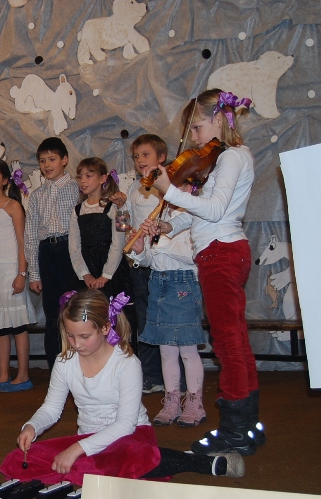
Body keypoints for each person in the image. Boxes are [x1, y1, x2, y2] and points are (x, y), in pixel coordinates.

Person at [0, 290, 244, 487]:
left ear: (105, 328)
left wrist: (75, 450)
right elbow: (51, 408)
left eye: (84, 336)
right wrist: (32, 426)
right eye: (71, 336)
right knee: (16, 459)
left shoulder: (126, 363)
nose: (76, 344)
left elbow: (125, 424)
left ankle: (193, 461)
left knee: (125, 457)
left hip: (130, 436)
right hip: (89, 439)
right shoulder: (65, 363)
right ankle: (148, 462)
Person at [142, 89, 262, 455]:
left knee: (227, 342)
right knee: (235, 340)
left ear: (220, 119)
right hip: (218, 250)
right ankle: (248, 425)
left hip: (222, 253)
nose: (194, 138)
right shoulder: (224, 158)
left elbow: (215, 210)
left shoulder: (232, 156)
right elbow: (203, 214)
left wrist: (168, 190)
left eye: (196, 127)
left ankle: (236, 431)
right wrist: (171, 225)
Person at [128, 203, 207, 426]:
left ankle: (195, 403)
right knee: (166, 351)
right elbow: (151, 259)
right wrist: (140, 250)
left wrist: (160, 241)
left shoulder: (194, 215)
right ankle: (172, 400)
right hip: (158, 282)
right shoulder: (160, 214)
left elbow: (194, 254)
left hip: (183, 283)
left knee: (188, 351)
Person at [112, 135, 169, 395]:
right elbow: (125, 226)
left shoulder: (168, 185)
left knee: (165, 319)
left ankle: (172, 375)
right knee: (144, 320)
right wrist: (121, 208)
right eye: (136, 156)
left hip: (163, 261)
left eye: (146, 154)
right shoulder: (135, 186)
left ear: (162, 157)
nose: (140, 160)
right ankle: (150, 375)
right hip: (139, 262)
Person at [0, 158, 36, 392]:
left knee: (17, 325)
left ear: (4, 180)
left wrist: (22, 273)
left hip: (10, 271)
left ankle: (23, 375)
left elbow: (23, 243)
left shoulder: (13, 206)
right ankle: (3, 375)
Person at [25, 137, 79, 370]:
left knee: (76, 310)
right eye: (42, 160)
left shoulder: (77, 189)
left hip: (71, 252)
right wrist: (34, 274)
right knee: (53, 313)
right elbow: (31, 235)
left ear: (64, 160)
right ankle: (57, 368)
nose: (47, 165)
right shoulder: (37, 195)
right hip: (47, 252)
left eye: (52, 159)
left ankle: (80, 366)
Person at [69, 158, 131, 299]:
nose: (83, 181)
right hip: (86, 269)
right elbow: (74, 246)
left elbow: (122, 234)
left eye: (88, 176)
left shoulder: (113, 206)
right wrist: (85, 274)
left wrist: (106, 275)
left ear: (102, 178)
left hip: (112, 268)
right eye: (80, 177)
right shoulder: (77, 211)